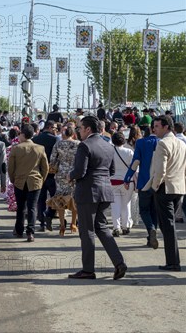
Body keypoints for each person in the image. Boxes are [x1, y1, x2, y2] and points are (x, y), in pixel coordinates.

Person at [68, 116, 126, 280]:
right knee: (102, 228)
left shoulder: (84, 146)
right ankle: (119, 263)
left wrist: (70, 175)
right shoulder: (108, 146)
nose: (78, 131)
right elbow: (112, 170)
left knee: (87, 231)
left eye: (80, 128)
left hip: (88, 192)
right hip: (105, 191)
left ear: (87, 129)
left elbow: (80, 171)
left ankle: (88, 270)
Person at [143, 116, 186, 271]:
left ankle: (173, 262)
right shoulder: (182, 143)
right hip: (179, 187)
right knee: (170, 225)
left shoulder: (163, 143)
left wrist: (154, 187)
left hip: (165, 188)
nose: (154, 129)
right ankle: (173, 261)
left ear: (166, 127)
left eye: (156, 126)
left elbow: (160, 170)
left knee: (167, 226)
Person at [8, 124, 49, 242]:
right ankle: (30, 232)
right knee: (32, 207)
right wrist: (42, 179)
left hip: (19, 181)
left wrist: (12, 179)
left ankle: (19, 229)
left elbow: (11, 168)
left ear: (23, 135)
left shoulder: (16, 148)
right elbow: (45, 167)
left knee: (21, 207)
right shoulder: (40, 148)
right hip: (35, 181)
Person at [124, 125, 159, 248]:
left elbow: (135, 162)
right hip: (159, 183)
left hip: (144, 181)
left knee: (144, 210)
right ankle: (151, 235)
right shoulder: (163, 142)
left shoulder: (141, 142)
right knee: (155, 211)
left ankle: (151, 229)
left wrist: (127, 178)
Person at [48, 125, 80, 235]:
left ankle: (62, 226)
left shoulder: (58, 144)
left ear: (63, 134)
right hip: (74, 174)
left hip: (61, 173)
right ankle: (73, 224)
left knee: (60, 199)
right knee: (74, 198)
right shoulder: (78, 144)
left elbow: (52, 160)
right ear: (73, 134)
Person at [31, 120, 60, 231]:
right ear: (50, 127)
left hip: (39, 173)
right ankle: (49, 215)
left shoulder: (35, 139)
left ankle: (42, 222)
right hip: (53, 173)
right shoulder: (55, 139)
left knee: (40, 199)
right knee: (55, 197)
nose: (56, 130)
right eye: (55, 128)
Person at [110, 132, 136, 237]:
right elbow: (134, 167)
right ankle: (126, 226)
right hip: (127, 181)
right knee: (126, 204)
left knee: (115, 205)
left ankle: (116, 227)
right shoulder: (129, 152)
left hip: (113, 181)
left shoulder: (110, 152)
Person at [5, 127, 21, 213]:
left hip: (11, 171)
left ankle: (12, 205)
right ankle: (18, 205)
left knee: (11, 188)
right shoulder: (22, 147)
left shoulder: (9, 148)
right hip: (21, 170)